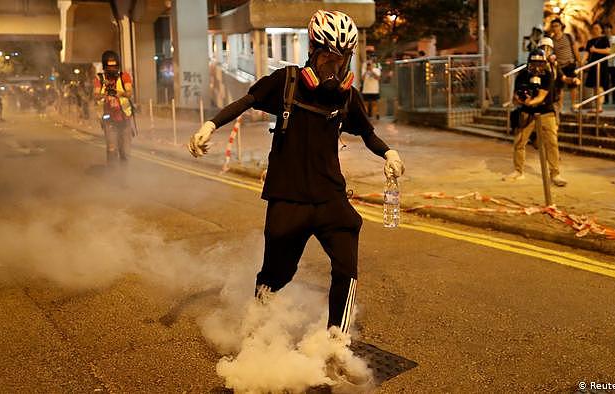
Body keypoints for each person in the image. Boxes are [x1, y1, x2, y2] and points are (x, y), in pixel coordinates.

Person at [188, 10, 405, 337]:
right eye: (328, 58)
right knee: (278, 274)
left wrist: (389, 152)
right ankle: (257, 321)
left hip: (330, 195)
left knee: (347, 266)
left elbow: (367, 134)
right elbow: (246, 102)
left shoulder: (347, 97)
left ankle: (336, 341)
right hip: (288, 199)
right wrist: (209, 125)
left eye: (341, 59)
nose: (334, 68)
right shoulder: (287, 83)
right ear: (313, 52)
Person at [503, 49, 569, 187]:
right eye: (534, 63)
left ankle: (555, 174)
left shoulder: (547, 76)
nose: (537, 66)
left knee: (551, 143)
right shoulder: (522, 75)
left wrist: (530, 102)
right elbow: (516, 95)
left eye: (540, 63)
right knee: (519, 142)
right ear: (529, 62)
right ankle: (518, 170)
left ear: (544, 63)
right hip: (527, 112)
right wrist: (522, 100)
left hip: (546, 112)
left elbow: (541, 97)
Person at [93, 50, 134, 166]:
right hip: (108, 119)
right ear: (105, 66)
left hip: (125, 117)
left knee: (126, 152)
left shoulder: (124, 76)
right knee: (111, 148)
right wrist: (105, 95)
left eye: (115, 66)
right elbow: (95, 95)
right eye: (109, 66)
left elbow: (129, 92)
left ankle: (125, 172)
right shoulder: (99, 79)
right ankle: (112, 173)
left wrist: (118, 93)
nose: (112, 69)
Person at [550, 18, 581, 111]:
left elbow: (575, 48)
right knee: (559, 87)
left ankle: (574, 105)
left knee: (573, 86)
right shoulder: (551, 40)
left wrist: (579, 60)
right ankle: (560, 106)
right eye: (553, 26)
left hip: (570, 64)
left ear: (561, 26)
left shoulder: (568, 36)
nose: (555, 28)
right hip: (559, 66)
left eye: (557, 26)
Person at [584, 22, 611, 113]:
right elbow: (587, 53)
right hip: (593, 65)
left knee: (600, 86)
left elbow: (608, 51)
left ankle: (599, 106)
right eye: (594, 28)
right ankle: (596, 106)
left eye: (597, 28)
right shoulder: (590, 41)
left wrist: (595, 50)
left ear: (601, 29)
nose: (595, 30)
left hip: (601, 65)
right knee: (594, 87)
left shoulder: (604, 39)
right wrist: (582, 61)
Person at [603, 23, 615, 105]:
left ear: (611, 29)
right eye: (605, 29)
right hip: (605, 63)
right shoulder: (601, 39)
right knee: (605, 82)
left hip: (614, 63)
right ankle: (605, 99)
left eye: (608, 28)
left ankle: (614, 98)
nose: (607, 30)